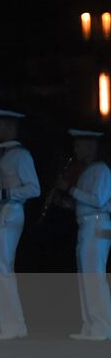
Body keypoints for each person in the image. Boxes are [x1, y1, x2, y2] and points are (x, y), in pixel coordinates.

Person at [0, 108, 39, 339]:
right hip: (2, 212)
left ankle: (11, 326)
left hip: (11, 212)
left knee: (0, 269)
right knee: (0, 270)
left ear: (11, 127)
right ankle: (7, 325)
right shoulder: (5, 154)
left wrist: (5, 193)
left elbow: (34, 188)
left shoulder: (21, 155)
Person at [66, 129, 111, 340]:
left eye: (78, 145)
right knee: (86, 277)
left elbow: (99, 201)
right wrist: (67, 203)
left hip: (96, 226)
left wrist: (71, 190)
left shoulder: (100, 170)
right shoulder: (86, 171)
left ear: (91, 146)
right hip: (86, 226)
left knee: (94, 278)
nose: (75, 149)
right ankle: (90, 326)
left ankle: (102, 327)